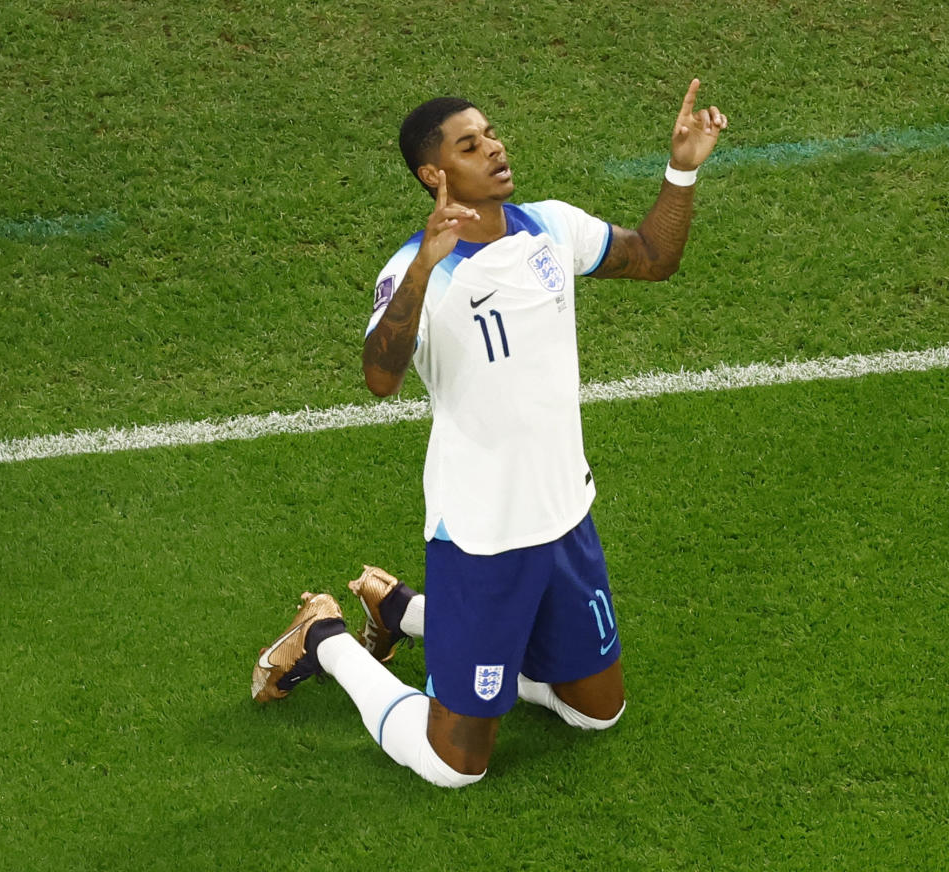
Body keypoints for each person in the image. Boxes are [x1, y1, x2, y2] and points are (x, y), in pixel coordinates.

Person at [251, 79, 728, 788]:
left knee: (596, 714)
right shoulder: (418, 270)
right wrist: (421, 265)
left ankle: (403, 611)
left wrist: (682, 167)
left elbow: (655, 257)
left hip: (565, 515)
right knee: (456, 766)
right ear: (433, 175)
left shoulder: (551, 228)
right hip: (481, 537)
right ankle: (323, 639)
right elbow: (380, 377)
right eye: (468, 145)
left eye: (491, 134)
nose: (494, 147)